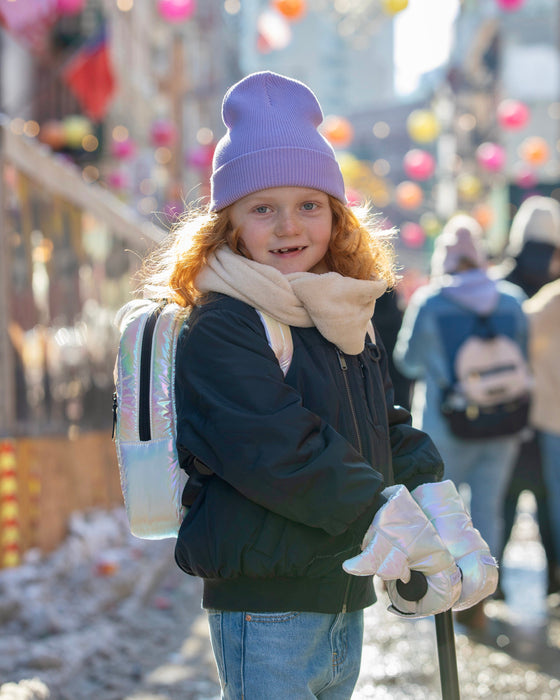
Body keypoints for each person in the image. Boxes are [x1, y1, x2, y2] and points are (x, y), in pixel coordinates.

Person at [137, 72, 492, 699]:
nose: (288, 225)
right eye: (262, 208)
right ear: (230, 225)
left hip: (342, 593)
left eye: (309, 205)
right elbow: (275, 446)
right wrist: (380, 513)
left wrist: (435, 499)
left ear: (336, 215)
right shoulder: (224, 322)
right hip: (267, 604)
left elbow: (380, 425)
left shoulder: (339, 313)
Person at [393, 214, 527, 629]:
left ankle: (445, 592)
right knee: (488, 508)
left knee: (442, 511)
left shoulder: (430, 301)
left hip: (445, 424)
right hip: (503, 422)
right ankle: (481, 598)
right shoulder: (512, 299)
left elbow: (408, 361)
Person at [492, 195, 560, 597]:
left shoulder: (502, 285)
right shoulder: (553, 287)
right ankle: (555, 576)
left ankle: (493, 581)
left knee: (503, 496)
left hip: (507, 409)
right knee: (552, 499)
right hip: (551, 413)